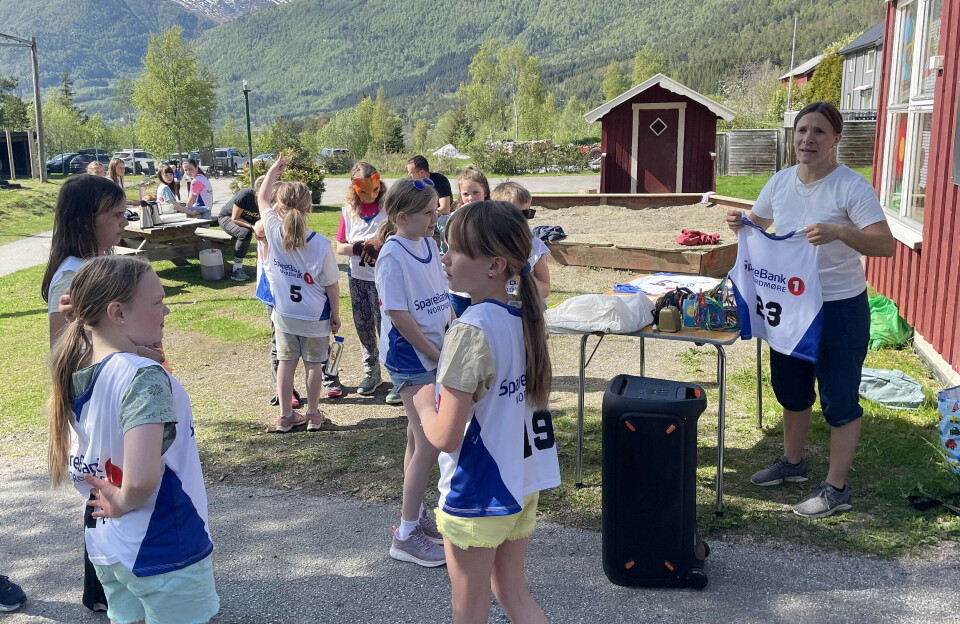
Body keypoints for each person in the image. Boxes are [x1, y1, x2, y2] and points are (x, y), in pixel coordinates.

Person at [725, 101, 894, 519]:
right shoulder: (780, 181)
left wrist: (840, 232)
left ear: (836, 139)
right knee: (793, 391)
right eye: (802, 131)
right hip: (791, 307)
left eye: (819, 132)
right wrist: (741, 223)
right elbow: (759, 225)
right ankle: (793, 463)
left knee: (839, 398)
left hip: (839, 307)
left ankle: (836, 488)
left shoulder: (852, 187)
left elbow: (885, 244)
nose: (808, 139)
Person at [47, 255, 219, 624]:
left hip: (108, 545)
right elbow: (140, 480)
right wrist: (124, 500)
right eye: (157, 301)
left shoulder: (79, 366)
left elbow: (116, 356)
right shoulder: (143, 377)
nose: (166, 310)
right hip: (162, 544)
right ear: (118, 313)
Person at [413, 201, 559, 623]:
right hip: (521, 481)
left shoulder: (470, 330)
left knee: (469, 607)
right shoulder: (526, 315)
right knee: (512, 592)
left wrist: (423, 405)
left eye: (457, 250)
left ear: (495, 265)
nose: (445, 258)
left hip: (479, 489)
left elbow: (446, 436)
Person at [41, 174, 168, 614]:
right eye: (114, 214)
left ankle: (118, 577)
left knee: (116, 478)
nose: (123, 220)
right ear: (84, 219)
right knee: (105, 482)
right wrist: (141, 352)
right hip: (100, 396)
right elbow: (68, 349)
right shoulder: (72, 275)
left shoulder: (94, 265)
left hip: (113, 388)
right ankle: (104, 585)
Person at [375, 177, 450, 567]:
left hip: (435, 352)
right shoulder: (392, 255)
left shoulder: (429, 244)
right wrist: (434, 353)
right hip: (412, 359)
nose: (434, 219)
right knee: (429, 443)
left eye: (435, 211)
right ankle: (405, 535)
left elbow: (441, 295)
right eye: (426, 213)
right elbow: (399, 315)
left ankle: (414, 515)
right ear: (402, 217)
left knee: (415, 438)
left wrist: (453, 331)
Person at [255, 156, 341, 433]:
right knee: (314, 365)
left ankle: (285, 416)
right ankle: (313, 414)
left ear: (279, 207)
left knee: (286, 363)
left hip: (284, 314)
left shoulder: (273, 230)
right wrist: (336, 315)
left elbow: (261, 198)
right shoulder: (321, 243)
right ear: (309, 208)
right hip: (314, 315)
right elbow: (331, 284)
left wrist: (273, 169)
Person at [335, 163, 397, 403]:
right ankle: (372, 371)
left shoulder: (388, 209)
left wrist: (380, 244)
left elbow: (399, 236)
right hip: (358, 278)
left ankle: (397, 375)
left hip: (384, 279)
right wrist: (356, 248)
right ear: (354, 188)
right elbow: (340, 246)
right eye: (362, 191)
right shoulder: (349, 211)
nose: (369, 195)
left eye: (374, 189)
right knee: (364, 325)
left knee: (387, 326)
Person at [490, 181, 551, 300]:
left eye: (527, 213)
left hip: (526, 307)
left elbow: (545, 289)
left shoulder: (536, 246)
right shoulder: (487, 245)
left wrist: (522, 277)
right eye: (516, 215)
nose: (523, 220)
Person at [445, 167, 492, 316]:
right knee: (459, 322)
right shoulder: (455, 217)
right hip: (460, 288)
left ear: (485, 192)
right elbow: (451, 246)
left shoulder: (493, 217)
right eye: (465, 194)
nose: (470, 198)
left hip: (484, 284)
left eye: (476, 192)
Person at [217, 175, 266, 282]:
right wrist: (253, 227)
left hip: (250, 221)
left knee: (268, 234)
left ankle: (261, 264)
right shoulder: (245, 195)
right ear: (257, 191)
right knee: (245, 233)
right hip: (228, 217)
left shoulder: (271, 198)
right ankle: (237, 269)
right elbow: (235, 218)